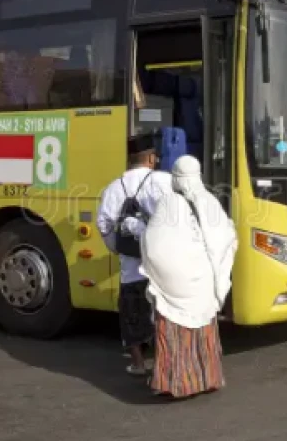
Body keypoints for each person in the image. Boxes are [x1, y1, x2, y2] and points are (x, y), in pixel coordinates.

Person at [140, 155, 238, 399]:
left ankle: (176, 384)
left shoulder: (169, 203)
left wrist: (139, 233)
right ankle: (207, 378)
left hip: (176, 284)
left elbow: (154, 245)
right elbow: (227, 236)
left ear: (176, 177)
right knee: (203, 329)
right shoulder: (210, 201)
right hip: (203, 280)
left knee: (174, 331)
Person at [97, 133, 173, 376]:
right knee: (163, 313)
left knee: (131, 314)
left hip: (131, 268)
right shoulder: (163, 181)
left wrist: (118, 248)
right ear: (151, 158)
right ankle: (163, 363)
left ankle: (139, 364)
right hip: (160, 265)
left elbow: (104, 225)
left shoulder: (113, 187)